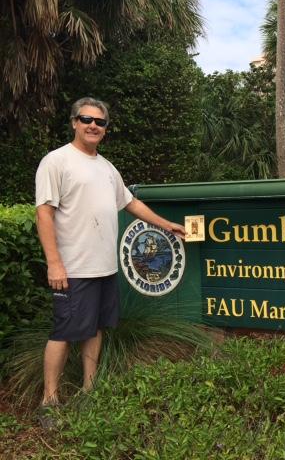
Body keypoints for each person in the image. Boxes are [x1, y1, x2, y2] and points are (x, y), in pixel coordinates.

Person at [35, 97, 185, 413]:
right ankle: (49, 401)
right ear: (74, 122)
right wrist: (54, 263)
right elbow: (44, 213)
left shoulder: (106, 167)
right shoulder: (56, 161)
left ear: (105, 128)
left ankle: (90, 391)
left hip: (104, 268)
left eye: (100, 122)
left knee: (96, 328)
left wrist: (166, 225)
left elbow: (130, 202)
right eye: (86, 119)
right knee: (63, 332)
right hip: (73, 269)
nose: (93, 126)